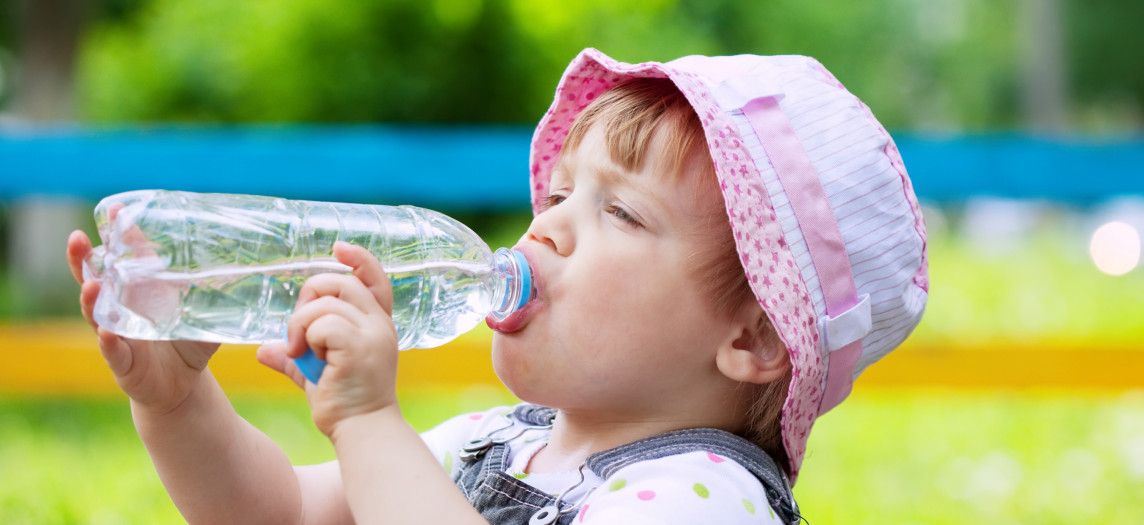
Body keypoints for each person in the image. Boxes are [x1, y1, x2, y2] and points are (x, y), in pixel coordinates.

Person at [66, 48, 928, 524]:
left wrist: (370, 426)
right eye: (558, 195)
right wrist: (178, 404)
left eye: (620, 213)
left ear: (752, 337)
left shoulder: (706, 499)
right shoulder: (495, 443)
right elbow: (284, 514)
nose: (544, 226)